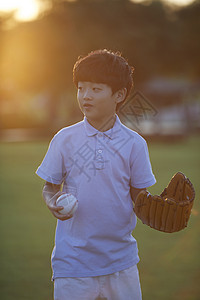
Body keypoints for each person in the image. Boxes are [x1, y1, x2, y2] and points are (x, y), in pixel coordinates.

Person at [36, 49, 156, 300]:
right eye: (81, 88)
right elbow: (50, 186)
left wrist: (158, 211)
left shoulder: (135, 144)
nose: (85, 96)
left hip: (121, 263)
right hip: (73, 264)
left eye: (96, 89)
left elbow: (140, 197)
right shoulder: (64, 139)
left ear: (119, 95)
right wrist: (51, 201)